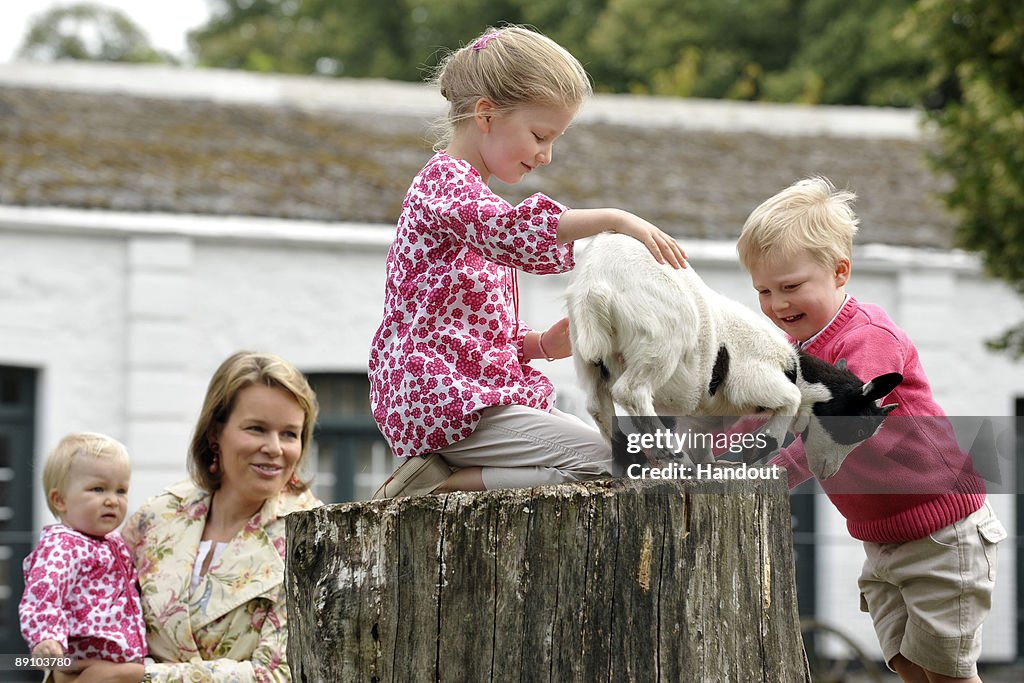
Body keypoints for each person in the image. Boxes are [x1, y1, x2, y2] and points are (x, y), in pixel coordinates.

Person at [369, 25, 687, 498]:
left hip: (469, 394)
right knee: (616, 461)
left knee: (634, 458)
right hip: (443, 398)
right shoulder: (444, 184)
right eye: (540, 134)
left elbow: (454, 324)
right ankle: (437, 489)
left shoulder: (468, 199)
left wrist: (536, 344)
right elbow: (511, 232)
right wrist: (616, 219)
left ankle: (447, 483)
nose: (547, 155)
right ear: (485, 115)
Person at [736, 177, 1007, 683]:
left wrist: (767, 475)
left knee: (946, 672)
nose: (776, 304)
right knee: (907, 664)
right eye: (763, 291)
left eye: (791, 286)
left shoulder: (869, 338)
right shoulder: (788, 355)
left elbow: (836, 428)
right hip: (881, 539)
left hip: (942, 532)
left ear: (840, 271)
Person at [73, 351, 322, 682]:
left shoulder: (316, 537)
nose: (275, 448)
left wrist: (133, 677)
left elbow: (280, 674)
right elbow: (87, 607)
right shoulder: (158, 516)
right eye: (256, 429)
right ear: (214, 433)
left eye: (289, 434)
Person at [19, 432, 146, 681]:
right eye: (98, 489)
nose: (112, 500)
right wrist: (47, 638)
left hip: (122, 667)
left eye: (121, 490)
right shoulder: (62, 545)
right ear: (60, 500)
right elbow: (43, 595)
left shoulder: (115, 543)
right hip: (84, 667)